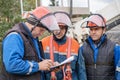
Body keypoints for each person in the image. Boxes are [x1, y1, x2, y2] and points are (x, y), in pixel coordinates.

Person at [0, 6, 60, 80]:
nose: (41, 34)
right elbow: (12, 65)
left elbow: (34, 63)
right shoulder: (14, 37)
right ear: (33, 24)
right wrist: (38, 66)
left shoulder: (33, 38)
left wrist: (49, 66)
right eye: (41, 30)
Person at [41, 11, 87, 80]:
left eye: (62, 28)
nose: (58, 31)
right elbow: (39, 71)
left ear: (66, 29)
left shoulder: (75, 44)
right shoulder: (43, 43)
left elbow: (81, 70)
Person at [79, 14, 120, 80]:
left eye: (96, 29)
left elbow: (119, 73)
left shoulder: (115, 48)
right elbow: (80, 71)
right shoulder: (82, 48)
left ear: (104, 30)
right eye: (91, 29)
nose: (93, 32)